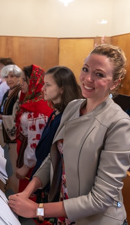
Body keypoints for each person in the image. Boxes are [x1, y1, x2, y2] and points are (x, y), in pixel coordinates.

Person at [9, 44, 130, 225]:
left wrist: (37, 209)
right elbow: (55, 156)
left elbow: (100, 199)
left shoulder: (120, 125)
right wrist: (27, 191)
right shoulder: (73, 107)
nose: (87, 78)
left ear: (115, 83)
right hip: (67, 213)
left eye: (99, 74)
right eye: (85, 69)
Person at [30, 66, 82, 204]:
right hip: (44, 175)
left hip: (55, 181)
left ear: (62, 89)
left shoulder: (67, 117)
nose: (42, 89)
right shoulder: (55, 113)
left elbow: (55, 156)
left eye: (47, 85)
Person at [15, 64, 54, 192]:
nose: (22, 84)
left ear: (34, 82)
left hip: (32, 160)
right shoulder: (34, 100)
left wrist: (26, 166)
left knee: (29, 192)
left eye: (25, 80)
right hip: (26, 152)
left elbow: (35, 141)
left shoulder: (39, 106)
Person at [0, 64, 23, 193]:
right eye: (7, 77)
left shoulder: (19, 92)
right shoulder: (7, 92)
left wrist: (1, 117)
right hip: (3, 131)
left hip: (12, 136)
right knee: (2, 164)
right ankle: (2, 191)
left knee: (12, 166)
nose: (9, 80)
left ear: (19, 77)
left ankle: (12, 192)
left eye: (12, 76)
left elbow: (17, 116)